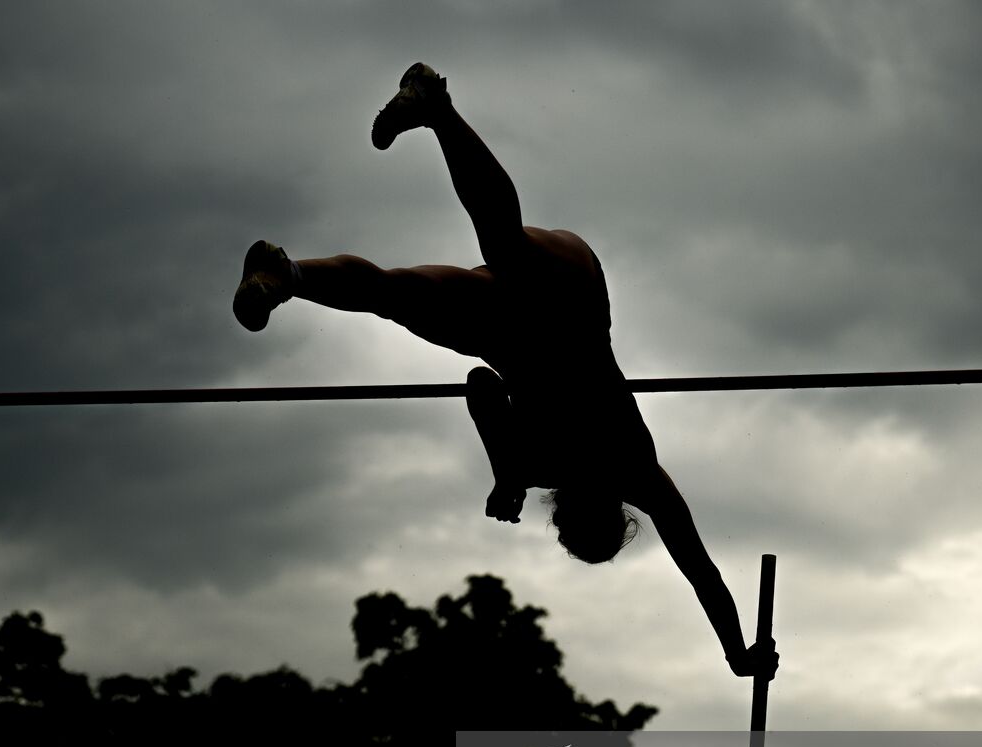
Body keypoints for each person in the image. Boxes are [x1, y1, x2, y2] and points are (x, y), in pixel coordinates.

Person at [233, 64, 776, 680]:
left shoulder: (582, 470)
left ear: (581, 513)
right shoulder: (629, 473)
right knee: (497, 245)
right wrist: (736, 652)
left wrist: (508, 471)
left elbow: (481, 385)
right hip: (569, 303)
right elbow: (698, 570)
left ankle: (286, 274)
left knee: (399, 295)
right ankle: (436, 109)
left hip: (512, 331)